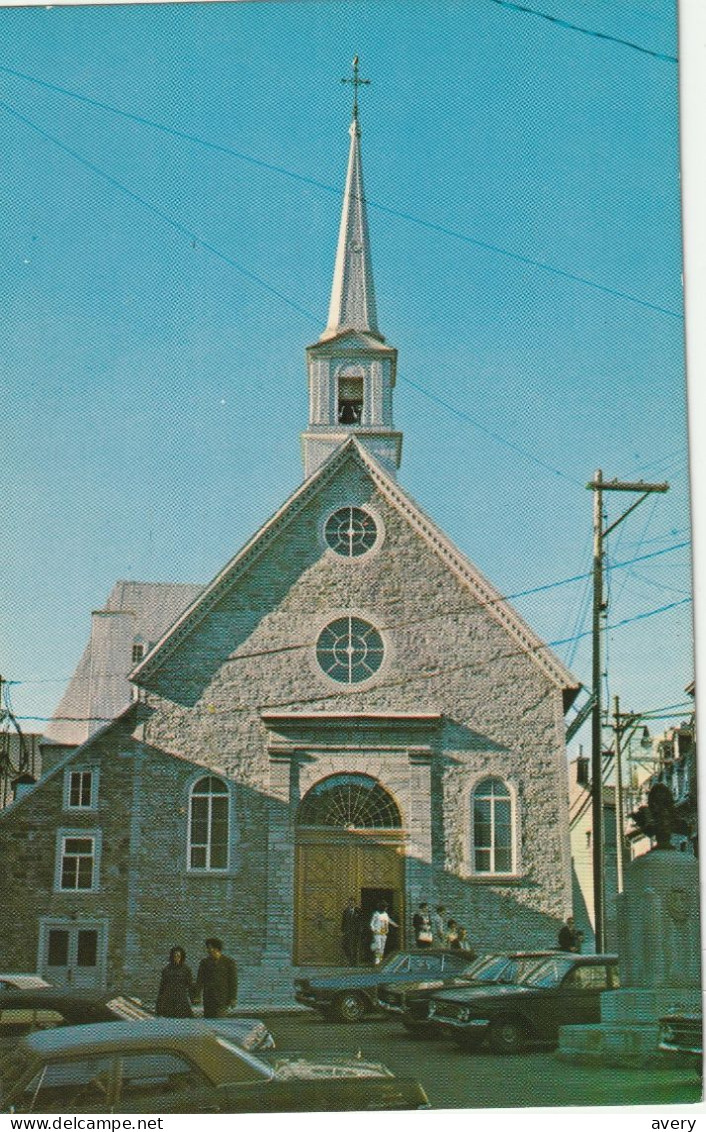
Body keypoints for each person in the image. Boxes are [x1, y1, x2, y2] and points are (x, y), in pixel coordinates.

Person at [193, 937, 238, 1017]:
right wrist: (197, 996)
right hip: (208, 998)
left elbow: (233, 982)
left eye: (210, 948)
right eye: (208, 948)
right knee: (209, 1022)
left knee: (220, 1022)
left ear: (217, 948)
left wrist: (233, 998)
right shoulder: (204, 963)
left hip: (222, 998)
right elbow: (200, 980)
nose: (208, 950)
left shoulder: (228, 962)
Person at [155, 946, 195, 1017]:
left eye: (178, 956)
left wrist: (194, 999)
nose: (176, 958)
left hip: (181, 1000)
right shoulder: (167, 970)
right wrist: (158, 1005)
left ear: (182, 957)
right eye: (175, 956)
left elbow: (190, 986)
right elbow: (162, 988)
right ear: (172, 957)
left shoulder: (186, 970)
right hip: (169, 1001)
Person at [341, 897, 362, 965]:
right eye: (349, 902)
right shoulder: (346, 911)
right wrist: (342, 931)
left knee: (355, 947)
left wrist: (360, 930)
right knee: (345, 946)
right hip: (347, 932)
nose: (351, 904)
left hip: (355, 932)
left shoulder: (358, 911)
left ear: (355, 903)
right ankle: (350, 959)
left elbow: (361, 921)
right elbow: (343, 922)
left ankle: (354, 962)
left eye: (352, 902)